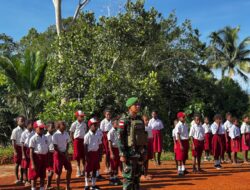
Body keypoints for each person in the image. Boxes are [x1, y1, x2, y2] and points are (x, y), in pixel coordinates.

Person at [117, 97, 148, 190]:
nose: (138, 106)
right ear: (130, 107)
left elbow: (143, 137)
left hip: (138, 153)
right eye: (135, 105)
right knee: (128, 179)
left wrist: (144, 152)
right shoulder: (124, 120)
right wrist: (122, 153)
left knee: (137, 178)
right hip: (128, 153)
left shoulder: (140, 120)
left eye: (138, 104)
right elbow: (120, 138)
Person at [29, 120, 49, 190]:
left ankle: (42, 188)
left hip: (44, 158)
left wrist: (47, 159)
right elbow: (31, 152)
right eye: (40, 128)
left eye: (43, 128)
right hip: (36, 157)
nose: (42, 130)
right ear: (35, 128)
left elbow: (47, 149)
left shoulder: (45, 137)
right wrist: (32, 163)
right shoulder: (33, 138)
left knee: (42, 175)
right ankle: (33, 188)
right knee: (34, 176)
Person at [53, 121, 72, 190]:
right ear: (58, 126)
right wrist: (62, 153)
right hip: (58, 155)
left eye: (64, 124)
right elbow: (55, 147)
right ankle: (58, 188)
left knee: (69, 169)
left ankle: (67, 186)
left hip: (64, 153)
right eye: (63, 125)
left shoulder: (66, 133)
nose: (64, 126)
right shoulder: (55, 135)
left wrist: (66, 152)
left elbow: (67, 143)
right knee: (58, 172)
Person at [84, 118, 101, 190]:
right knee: (87, 170)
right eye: (94, 124)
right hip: (89, 154)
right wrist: (86, 156)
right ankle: (87, 185)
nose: (95, 126)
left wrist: (99, 155)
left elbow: (100, 144)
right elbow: (85, 146)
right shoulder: (87, 135)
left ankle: (93, 185)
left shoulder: (98, 134)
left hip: (96, 153)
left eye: (96, 124)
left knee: (95, 169)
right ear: (90, 126)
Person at [70, 110, 87, 177]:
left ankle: (84, 169)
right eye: (81, 116)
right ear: (77, 116)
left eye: (83, 116)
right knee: (77, 155)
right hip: (76, 141)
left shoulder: (84, 124)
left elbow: (85, 132)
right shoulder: (74, 124)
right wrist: (72, 142)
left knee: (83, 155)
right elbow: (71, 133)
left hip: (83, 140)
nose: (82, 118)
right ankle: (78, 169)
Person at [11, 115, 25, 184]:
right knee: (17, 164)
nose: (23, 122)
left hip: (23, 148)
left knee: (23, 164)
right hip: (17, 147)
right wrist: (15, 151)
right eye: (21, 121)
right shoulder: (15, 130)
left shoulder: (25, 130)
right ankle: (17, 178)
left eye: (23, 120)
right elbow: (13, 141)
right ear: (17, 122)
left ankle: (22, 178)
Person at [107, 119, 122, 185]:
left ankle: (115, 178)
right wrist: (111, 152)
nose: (117, 124)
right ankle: (111, 179)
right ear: (113, 124)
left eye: (118, 123)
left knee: (117, 164)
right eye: (116, 123)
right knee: (113, 165)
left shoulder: (118, 131)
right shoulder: (110, 132)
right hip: (113, 149)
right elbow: (109, 143)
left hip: (118, 149)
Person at [20, 120, 35, 186]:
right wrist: (23, 154)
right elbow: (22, 144)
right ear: (28, 125)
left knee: (31, 165)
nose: (33, 126)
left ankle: (30, 178)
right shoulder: (24, 133)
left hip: (32, 150)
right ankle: (25, 180)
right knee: (25, 166)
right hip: (26, 150)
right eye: (32, 124)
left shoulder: (34, 132)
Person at [45, 122, 55, 190]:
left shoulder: (55, 135)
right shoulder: (45, 137)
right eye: (52, 128)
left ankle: (48, 185)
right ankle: (47, 185)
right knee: (50, 171)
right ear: (47, 128)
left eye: (54, 127)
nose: (53, 129)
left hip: (54, 153)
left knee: (52, 171)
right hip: (48, 154)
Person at [142, 115, 153, 180]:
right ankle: (142, 174)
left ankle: (146, 173)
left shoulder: (149, 127)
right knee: (143, 160)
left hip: (149, 144)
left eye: (148, 120)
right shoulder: (142, 128)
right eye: (146, 120)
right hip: (144, 145)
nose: (147, 121)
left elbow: (151, 137)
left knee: (147, 159)